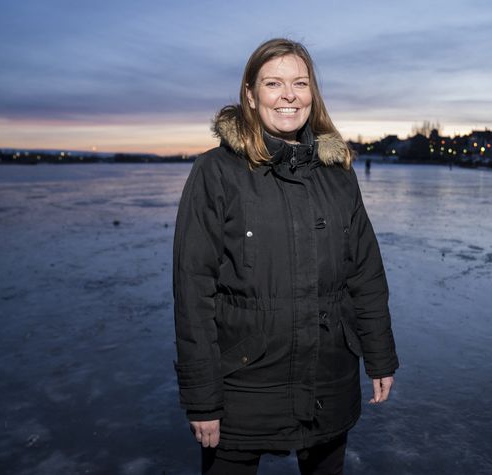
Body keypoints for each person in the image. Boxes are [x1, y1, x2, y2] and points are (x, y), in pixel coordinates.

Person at [172, 38, 399, 474]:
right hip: (244, 383)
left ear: (313, 94)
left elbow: (366, 273)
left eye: (300, 82)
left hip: (329, 377)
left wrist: (379, 353)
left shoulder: (339, 176)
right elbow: (192, 289)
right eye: (273, 83)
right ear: (250, 96)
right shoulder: (216, 172)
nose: (288, 95)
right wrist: (202, 398)